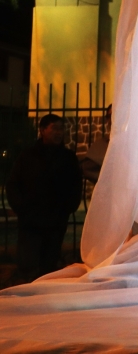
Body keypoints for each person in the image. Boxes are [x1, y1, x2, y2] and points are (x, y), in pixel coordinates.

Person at [5, 113, 83, 281]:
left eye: (61, 128)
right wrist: (21, 207)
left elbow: (76, 185)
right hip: (31, 220)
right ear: (42, 130)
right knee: (27, 264)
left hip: (56, 219)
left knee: (49, 265)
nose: (59, 132)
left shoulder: (68, 158)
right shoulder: (27, 156)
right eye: (54, 128)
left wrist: (68, 208)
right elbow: (13, 183)